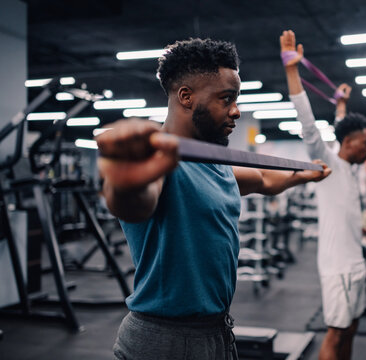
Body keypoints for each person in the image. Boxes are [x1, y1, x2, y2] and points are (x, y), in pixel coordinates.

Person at [97, 38, 331, 360]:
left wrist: (304, 175)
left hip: (215, 333)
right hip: (165, 342)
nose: (236, 111)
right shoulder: (160, 164)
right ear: (186, 97)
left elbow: (263, 178)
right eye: (226, 99)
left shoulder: (213, 165)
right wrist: (125, 181)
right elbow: (135, 202)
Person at [280, 30, 366, 360]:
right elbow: (308, 125)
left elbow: (340, 130)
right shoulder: (328, 164)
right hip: (337, 268)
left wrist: (342, 106)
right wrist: (291, 68)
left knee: (352, 329)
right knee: (335, 334)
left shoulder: (349, 165)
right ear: (350, 143)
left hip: (356, 264)